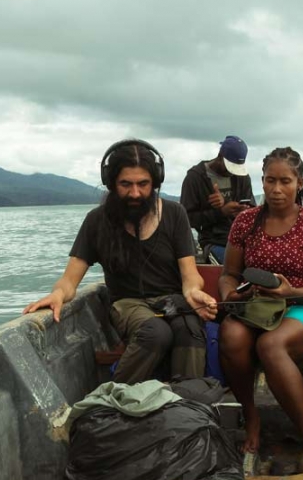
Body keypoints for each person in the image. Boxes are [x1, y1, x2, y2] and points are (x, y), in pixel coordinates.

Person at [23, 139, 218, 384]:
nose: (135, 193)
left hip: (172, 299)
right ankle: (114, 398)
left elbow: (189, 275)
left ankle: (187, 405)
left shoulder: (175, 213)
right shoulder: (97, 220)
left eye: (143, 184)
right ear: (112, 183)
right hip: (127, 303)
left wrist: (193, 293)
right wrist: (58, 295)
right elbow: (70, 279)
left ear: (155, 182)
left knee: (189, 330)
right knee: (155, 333)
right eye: (126, 184)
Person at [218, 146, 303, 471]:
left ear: (299, 183)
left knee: (270, 344)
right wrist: (232, 293)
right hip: (257, 308)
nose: (276, 189)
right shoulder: (245, 222)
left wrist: (291, 292)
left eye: (285, 181)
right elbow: (229, 274)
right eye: (270, 180)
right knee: (230, 334)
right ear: (261, 181)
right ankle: (252, 415)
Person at [180, 135, 256, 264]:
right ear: (220, 156)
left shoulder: (242, 177)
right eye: (230, 167)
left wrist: (243, 212)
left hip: (244, 240)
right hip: (214, 241)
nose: (232, 173)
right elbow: (187, 219)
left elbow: (253, 210)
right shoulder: (195, 178)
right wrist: (220, 212)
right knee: (231, 265)